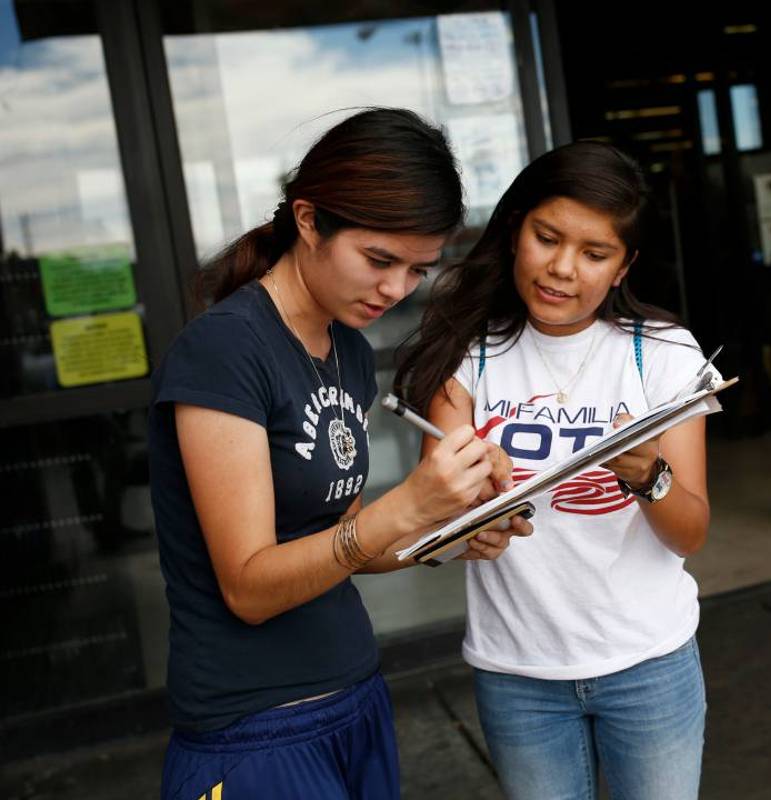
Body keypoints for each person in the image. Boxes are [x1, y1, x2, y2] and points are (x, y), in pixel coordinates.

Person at [148, 108, 530, 800]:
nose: (395, 290)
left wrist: (448, 529)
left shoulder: (346, 348)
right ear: (307, 219)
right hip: (253, 727)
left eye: (418, 270)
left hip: (352, 693)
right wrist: (407, 504)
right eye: (379, 260)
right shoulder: (226, 350)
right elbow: (250, 587)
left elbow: (348, 544)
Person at [394, 141, 715, 800]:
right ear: (516, 231)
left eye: (594, 254)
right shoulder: (468, 357)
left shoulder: (662, 356)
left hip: (649, 665)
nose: (562, 269)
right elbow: (432, 526)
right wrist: (466, 526)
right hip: (518, 672)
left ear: (623, 265)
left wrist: (649, 475)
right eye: (547, 238)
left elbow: (690, 533)